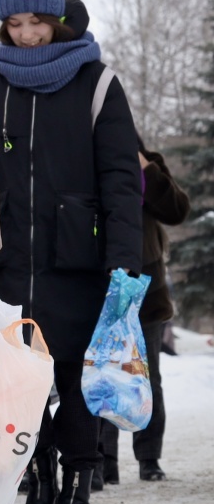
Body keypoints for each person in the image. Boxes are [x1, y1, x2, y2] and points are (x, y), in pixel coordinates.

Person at [0, 0, 141, 504]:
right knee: (17, 381)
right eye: (15, 24)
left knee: (74, 378)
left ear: (57, 18)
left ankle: (79, 487)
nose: (26, 34)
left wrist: (123, 264)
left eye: (37, 22)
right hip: (8, 263)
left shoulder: (97, 83)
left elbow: (122, 182)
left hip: (79, 261)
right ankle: (40, 479)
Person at [99, 142, 189, 482]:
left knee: (147, 377)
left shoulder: (148, 162)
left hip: (147, 290)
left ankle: (149, 457)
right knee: (106, 372)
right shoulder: (91, 155)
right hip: (104, 283)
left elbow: (177, 210)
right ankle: (105, 459)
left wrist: (145, 167)